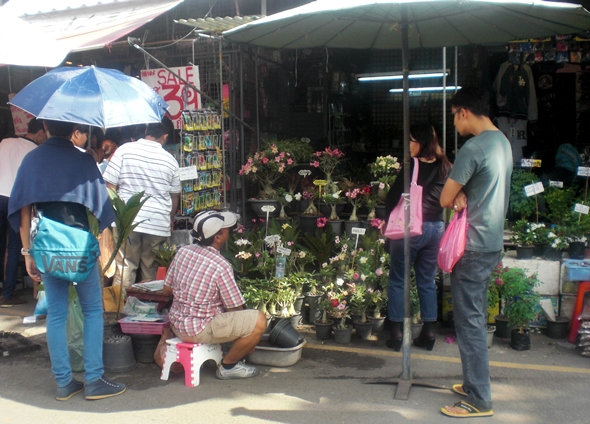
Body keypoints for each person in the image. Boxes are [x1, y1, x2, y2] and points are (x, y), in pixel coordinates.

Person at [8, 119, 126, 401]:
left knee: (56, 314)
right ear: (75, 130)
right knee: (93, 312)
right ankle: (94, 379)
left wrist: (27, 253)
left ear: (46, 127)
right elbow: (102, 209)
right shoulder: (84, 160)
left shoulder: (32, 159)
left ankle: (64, 383)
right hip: (80, 249)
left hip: (47, 249)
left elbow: (23, 212)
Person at [439, 87, 512, 418]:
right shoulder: (502, 142)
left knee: (469, 322)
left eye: (454, 115)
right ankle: (473, 383)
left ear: (464, 112)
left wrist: (457, 194)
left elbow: (444, 197)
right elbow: (480, 186)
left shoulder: (473, 148)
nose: (454, 122)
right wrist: (464, 192)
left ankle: (479, 398)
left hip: (471, 246)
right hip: (492, 242)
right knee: (475, 317)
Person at [163, 210, 266, 380]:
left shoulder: (183, 251)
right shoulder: (221, 266)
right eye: (225, 229)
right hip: (200, 328)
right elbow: (235, 309)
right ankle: (229, 366)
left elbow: (167, 289)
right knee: (258, 321)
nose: (229, 231)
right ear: (218, 237)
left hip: (177, 323)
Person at [384, 121, 451, 351]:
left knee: (398, 279)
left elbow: (392, 197)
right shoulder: (446, 166)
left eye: (411, 141)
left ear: (421, 143)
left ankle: (396, 334)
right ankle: (429, 333)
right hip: (436, 229)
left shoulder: (411, 166)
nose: (408, 145)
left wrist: (386, 221)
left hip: (410, 229)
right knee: (427, 280)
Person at [103, 119, 181, 290]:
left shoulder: (124, 150)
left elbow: (109, 186)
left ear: (146, 130)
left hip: (127, 219)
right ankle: (148, 310)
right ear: (165, 136)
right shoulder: (170, 160)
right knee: (150, 269)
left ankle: (121, 309)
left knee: (125, 266)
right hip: (157, 222)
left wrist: (117, 213)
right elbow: (175, 195)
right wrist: (170, 218)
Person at [0, 118, 46, 306]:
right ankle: (8, 293)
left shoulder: (5, 142)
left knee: (1, 245)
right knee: (13, 247)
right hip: (15, 201)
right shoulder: (36, 152)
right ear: (41, 132)